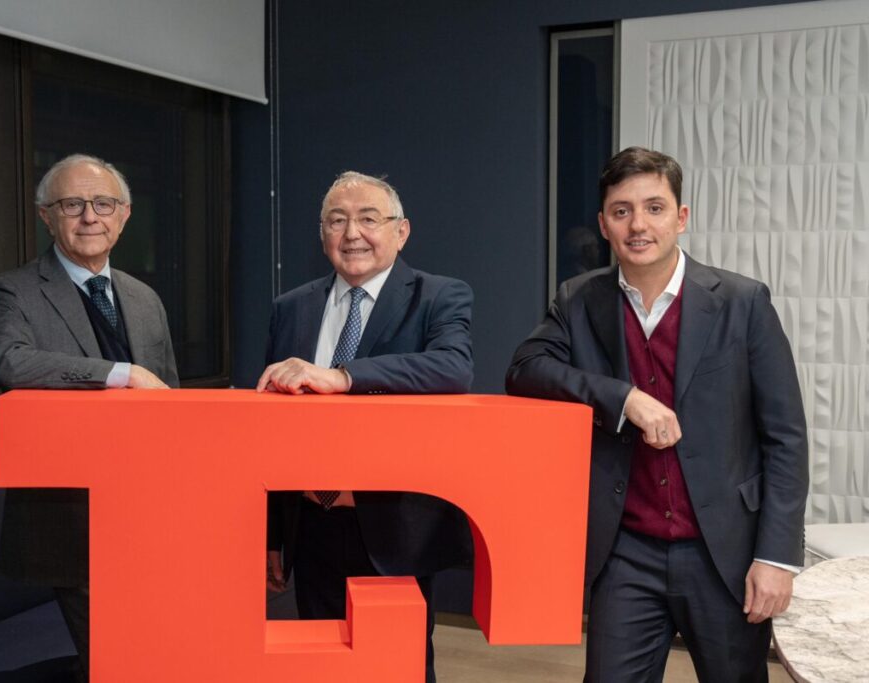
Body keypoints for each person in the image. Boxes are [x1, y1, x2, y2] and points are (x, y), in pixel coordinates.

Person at [506, 147, 808, 682]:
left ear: (681, 217)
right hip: (627, 552)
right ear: (604, 224)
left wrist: (776, 558)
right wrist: (622, 398)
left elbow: (786, 438)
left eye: (654, 208)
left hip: (726, 554)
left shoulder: (742, 302)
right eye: (621, 211)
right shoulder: (579, 300)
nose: (638, 225)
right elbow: (525, 370)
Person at [258, 171, 473, 683]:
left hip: (393, 525)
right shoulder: (291, 307)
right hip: (311, 524)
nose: (352, 233)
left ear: (401, 232)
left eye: (368, 219)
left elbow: (452, 368)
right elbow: (270, 430)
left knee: (397, 666)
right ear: (322, 235)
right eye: (337, 221)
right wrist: (271, 534)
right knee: (321, 667)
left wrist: (343, 376)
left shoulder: (438, 296)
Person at [0, 154, 178, 680]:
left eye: (103, 204)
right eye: (72, 204)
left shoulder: (144, 298)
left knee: (158, 655)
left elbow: (171, 405)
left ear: (125, 215)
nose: (90, 216)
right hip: (71, 517)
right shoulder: (11, 291)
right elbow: (8, 360)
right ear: (46, 216)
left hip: (149, 514)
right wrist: (120, 373)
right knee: (111, 663)